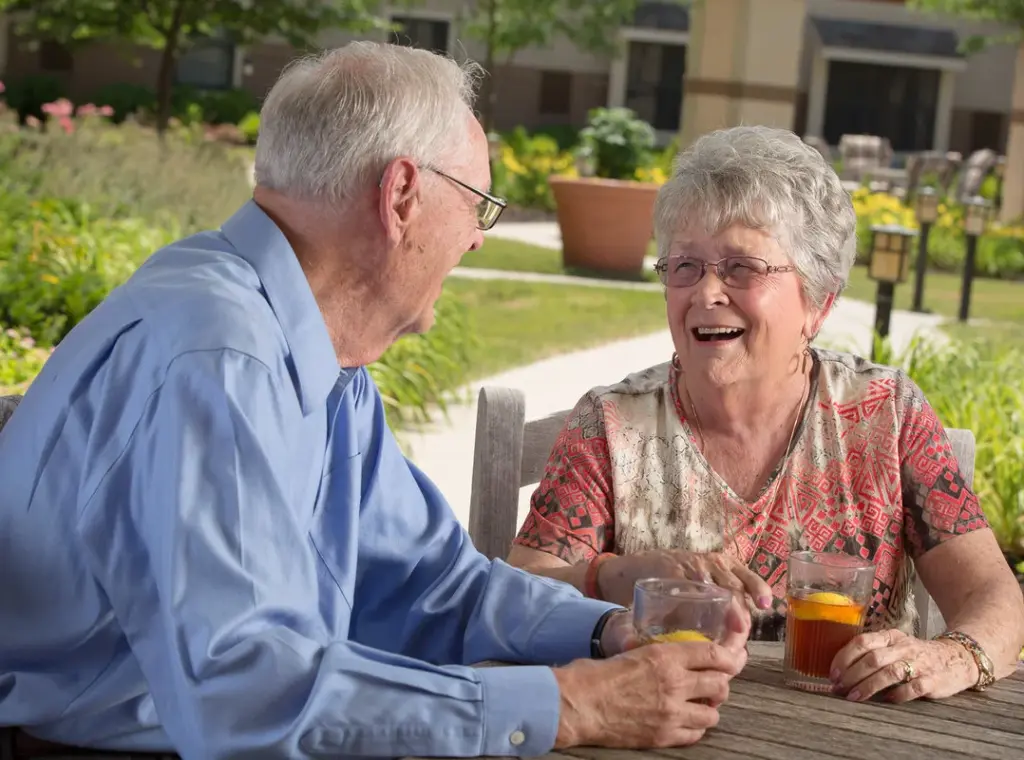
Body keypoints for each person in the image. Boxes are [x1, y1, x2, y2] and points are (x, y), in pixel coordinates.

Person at [0, 44, 750, 759]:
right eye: (478, 205)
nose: (479, 240)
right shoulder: (220, 356)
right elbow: (248, 696)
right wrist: (572, 705)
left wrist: (607, 633)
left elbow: (430, 586)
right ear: (400, 196)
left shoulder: (317, 353)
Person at [507, 125, 1024, 704]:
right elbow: (515, 596)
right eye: (685, 266)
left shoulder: (887, 415)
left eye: (740, 267)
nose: (705, 293)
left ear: (818, 301)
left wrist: (951, 656)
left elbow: (994, 596)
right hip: (660, 728)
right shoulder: (610, 426)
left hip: (854, 734)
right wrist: (615, 575)